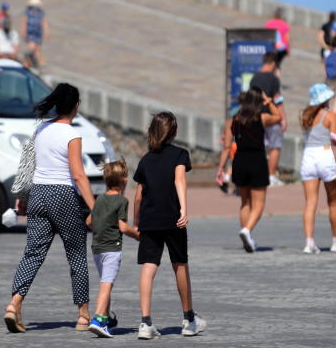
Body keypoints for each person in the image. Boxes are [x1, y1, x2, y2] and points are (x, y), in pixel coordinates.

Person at [5, 84, 97, 333]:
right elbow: (78, 176)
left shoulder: (41, 129)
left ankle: (14, 304)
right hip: (63, 194)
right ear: (76, 106)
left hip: (38, 194)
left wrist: (24, 196)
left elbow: (29, 165)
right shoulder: (71, 135)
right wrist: (95, 207)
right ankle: (83, 315)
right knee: (76, 254)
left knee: (33, 253)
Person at [133, 112, 207, 339]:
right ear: (174, 133)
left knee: (148, 266)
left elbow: (138, 195)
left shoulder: (145, 160)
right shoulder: (180, 154)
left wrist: (136, 222)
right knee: (180, 265)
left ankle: (145, 323)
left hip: (150, 219)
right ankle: (189, 320)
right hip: (173, 218)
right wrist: (184, 209)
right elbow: (179, 180)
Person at [215, 87, 280, 253]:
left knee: (245, 202)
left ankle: (247, 238)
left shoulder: (233, 121)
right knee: (258, 204)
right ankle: (247, 231)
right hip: (257, 160)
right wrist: (269, 102)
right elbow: (278, 116)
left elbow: (227, 147)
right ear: (258, 101)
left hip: (240, 161)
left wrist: (221, 168)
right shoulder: (262, 117)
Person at [86, 158, 139, 338]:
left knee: (105, 282)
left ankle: (106, 319)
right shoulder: (121, 201)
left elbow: (89, 222)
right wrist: (139, 236)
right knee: (106, 285)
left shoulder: (99, 199)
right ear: (124, 181)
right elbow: (123, 228)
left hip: (97, 248)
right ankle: (98, 319)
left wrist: (101, 223)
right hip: (112, 249)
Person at [299, 84, 336, 254]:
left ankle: (309, 243)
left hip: (308, 157)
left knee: (310, 203)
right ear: (325, 99)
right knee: (333, 203)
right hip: (325, 155)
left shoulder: (303, 115)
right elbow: (335, 142)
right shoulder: (330, 116)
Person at [249, 51, 287, 186]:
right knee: (275, 146)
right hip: (272, 117)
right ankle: (270, 176)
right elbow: (277, 99)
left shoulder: (254, 78)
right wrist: (283, 118)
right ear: (274, 63)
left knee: (260, 147)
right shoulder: (273, 79)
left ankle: (258, 175)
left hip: (257, 117)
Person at [22, 0, 48, 71]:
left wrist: (46, 31)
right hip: (31, 33)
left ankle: (36, 65)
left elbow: (44, 22)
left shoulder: (40, 13)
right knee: (31, 48)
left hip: (38, 33)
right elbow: (24, 22)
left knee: (37, 50)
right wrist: (24, 32)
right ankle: (28, 62)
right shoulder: (28, 12)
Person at [265, 8, 291, 74]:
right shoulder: (284, 24)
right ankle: (276, 79)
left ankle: (273, 79)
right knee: (278, 64)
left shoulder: (269, 23)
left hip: (272, 46)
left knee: (273, 63)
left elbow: (266, 35)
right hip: (282, 48)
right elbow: (288, 37)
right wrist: (288, 50)